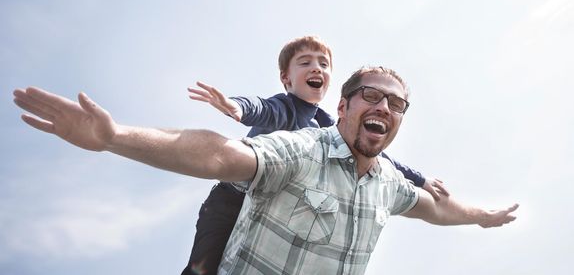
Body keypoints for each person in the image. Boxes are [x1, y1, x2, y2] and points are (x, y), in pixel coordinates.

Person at [12, 65, 518, 275]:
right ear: (341, 108)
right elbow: (219, 154)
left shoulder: (389, 183)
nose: (384, 106)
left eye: (397, 104)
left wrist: (483, 216)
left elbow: (440, 211)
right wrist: (115, 136)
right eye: (371, 95)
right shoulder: (304, 148)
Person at [182, 37, 448, 274]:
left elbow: (381, 158)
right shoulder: (284, 107)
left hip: (272, 210)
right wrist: (236, 107)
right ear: (286, 78)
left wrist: (420, 179)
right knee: (203, 265)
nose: (316, 68)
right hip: (232, 200)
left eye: (324, 64)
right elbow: (261, 108)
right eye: (305, 62)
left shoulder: (327, 125)